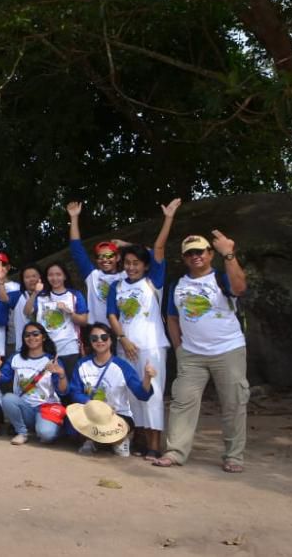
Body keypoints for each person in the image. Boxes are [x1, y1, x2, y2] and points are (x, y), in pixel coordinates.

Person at [153, 230, 249, 474]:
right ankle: (175, 452)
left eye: (200, 252)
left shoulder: (221, 277)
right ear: (184, 258)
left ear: (209, 254)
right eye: (190, 253)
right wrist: (179, 348)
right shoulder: (178, 284)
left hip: (228, 349)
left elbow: (239, 288)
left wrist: (229, 255)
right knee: (182, 401)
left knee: (233, 403)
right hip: (192, 354)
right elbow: (172, 318)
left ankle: (234, 456)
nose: (195, 256)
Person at [106, 198, 180, 459]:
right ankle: (137, 439)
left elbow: (158, 248)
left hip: (151, 345)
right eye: (127, 262)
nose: (131, 267)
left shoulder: (154, 281)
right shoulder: (117, 286)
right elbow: (112, 314)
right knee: (131, 393)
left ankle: (154, 444)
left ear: (145, 265)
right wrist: (122, 339)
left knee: (153, 393)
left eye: (136, 262)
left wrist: (168, 218)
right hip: (125, 347)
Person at [68, 323, 156, 457]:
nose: (99, 341)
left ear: (111, 340)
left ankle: (118, 440)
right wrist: (92, 405)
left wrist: (147, 378)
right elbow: (75, 392)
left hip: (118, 415)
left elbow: (142, 395)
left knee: (115, 437)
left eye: (104, 337)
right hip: (91, 414)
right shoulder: (82, 364)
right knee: (77, 423)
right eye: (94, 338)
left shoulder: (122, 366)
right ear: (90, 341)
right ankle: (94, 440)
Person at [0, 322, 68, 445]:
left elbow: (63, 391)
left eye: (35, 334)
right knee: (8, 399)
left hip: (46, 407)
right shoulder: (16, 358)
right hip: (25, 407)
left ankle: (54, 429)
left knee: (46, 435)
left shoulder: (51, 360)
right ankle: (22, 432)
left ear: (43, 337)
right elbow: (2, 378)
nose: (31, 338)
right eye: (27, 335)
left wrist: (61, 374)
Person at [66, 202, 127, 327]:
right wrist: (74, 218)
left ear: (118, 257)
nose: (105, 259)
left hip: (124, 331)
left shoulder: (127, 276)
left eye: (109, 255)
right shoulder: (92, 275)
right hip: (99, 333)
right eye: (100, 256)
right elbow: (76, 249)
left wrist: (126, 244)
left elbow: (150, 256)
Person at [27, 262, 88, 378]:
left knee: (72, 385)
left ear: (65, 276)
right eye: (51, 275)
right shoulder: (41, 297)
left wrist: (69, 312)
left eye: (58, 274)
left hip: (70, 349)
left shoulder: (74, 295)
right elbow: (26, 311)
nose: (54, 278)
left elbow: (84, 321)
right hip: (45, 350)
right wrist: (35, 293)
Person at [9, 266, 43, 355]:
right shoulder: (18, 296)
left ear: (40, 277)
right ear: (23, 280)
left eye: (34, 276)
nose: (31, 279)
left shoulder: (48, 295)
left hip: (45, 346)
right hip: (24, 348)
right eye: (27, 277)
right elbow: (27, 311)